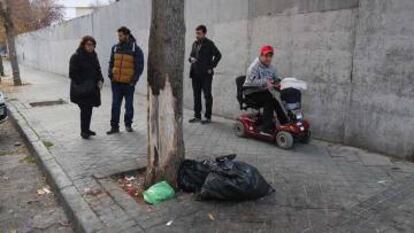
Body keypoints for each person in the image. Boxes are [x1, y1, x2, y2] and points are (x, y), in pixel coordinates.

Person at [243, 45, 288, 135]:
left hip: (262, 92)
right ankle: (265, 129)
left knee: (275, 101)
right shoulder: (254, 67)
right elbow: (250, 82)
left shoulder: (270, 67)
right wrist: (265, 82)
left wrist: (278, 81)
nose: (268, 59)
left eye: (270, 56)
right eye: (266, 56)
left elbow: (276, 77)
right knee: (269, 100)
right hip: (251, 92)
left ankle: (285, 123)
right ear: (261, 55)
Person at [107, 26, 144, 134]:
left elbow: (139, 67)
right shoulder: (115, 47)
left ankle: (128, 125)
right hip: (116, 83)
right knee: (115, 105)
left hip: (128, 84)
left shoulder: (135, 49)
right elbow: (111, 62)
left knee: (128, 105)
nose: (119, 37)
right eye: (118, 35)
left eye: (121, 35)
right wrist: (110, 74)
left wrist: (133, 80)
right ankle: (114, 127)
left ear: (127, 35)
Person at [69, 36, 104, 139]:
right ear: (83, 45)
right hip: (81, 90)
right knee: (85, 109)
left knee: (88, 109)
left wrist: (100, 79)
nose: (91, 47)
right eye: (88, 44)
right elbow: (72, 73)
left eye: (93, 45)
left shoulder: (94, 56)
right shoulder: (76, 56)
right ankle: (84, 131)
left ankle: (86, 129)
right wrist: (83, 83)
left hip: (92, 89)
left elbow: (98, 69)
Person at [188, 25, 222, 124]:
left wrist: (211, 67)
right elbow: (191, 56)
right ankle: (197, 116)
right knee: (196, 95)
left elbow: (218, 55)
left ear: (204, 33)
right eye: (196, 33)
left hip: (206, 75)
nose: (197, 35)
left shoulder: (209, 44)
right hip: (195, 73)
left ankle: (207, 117)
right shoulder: (194, 44)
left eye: (199, 33)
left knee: (207, 95)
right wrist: (191, 59)